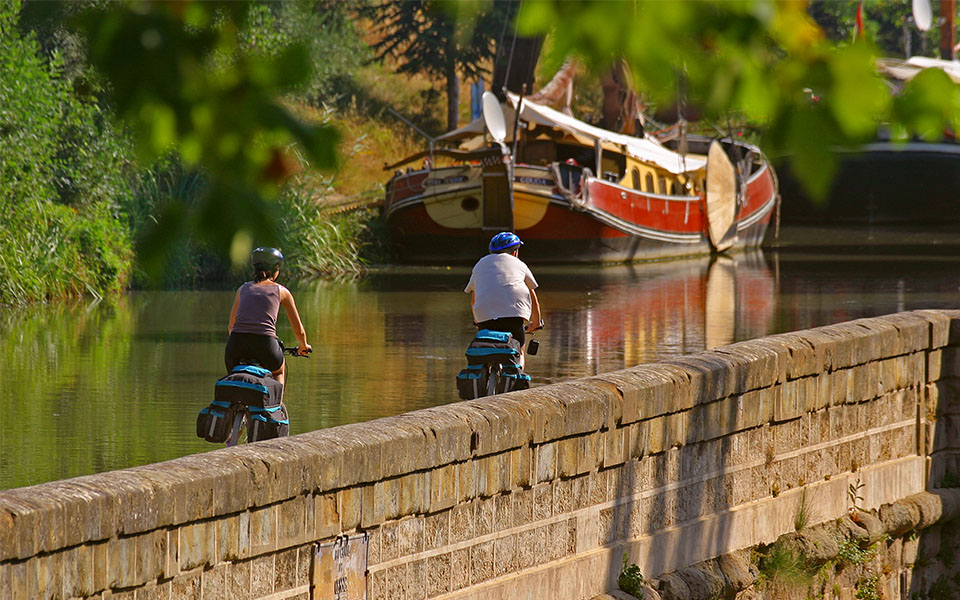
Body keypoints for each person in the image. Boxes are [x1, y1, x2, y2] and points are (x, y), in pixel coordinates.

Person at [225, 247, 311, 386]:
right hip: (265, 345)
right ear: (274, 271)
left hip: (236, 344)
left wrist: (240, 341)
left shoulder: (243, 289)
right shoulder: (282, 291)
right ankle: (276, 404)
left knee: (233, 379)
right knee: (279, 371)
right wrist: (303, 346)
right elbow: (298, 331)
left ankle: (233, 404)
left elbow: (231, 326)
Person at [464, 232, 542, 367]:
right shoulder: (519, 264)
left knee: (484, 348)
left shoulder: (480, 264)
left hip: (484, 316)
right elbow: (532, 294)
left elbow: (474, 298)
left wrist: (478, 320)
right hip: (513, 315)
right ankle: (517, 382)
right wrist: (535, 323)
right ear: (515, 252)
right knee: (519, 351)